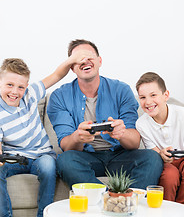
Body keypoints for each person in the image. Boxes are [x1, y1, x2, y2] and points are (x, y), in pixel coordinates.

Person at [47, 39, 163, 189]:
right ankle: (109, 200)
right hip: (86, 157)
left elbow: (134, 142)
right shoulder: (59, 97)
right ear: (72, 68)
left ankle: (130, 202)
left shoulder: (121, 90)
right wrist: (78, 136)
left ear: (99, 61)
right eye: (78, 59)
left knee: (152, 158)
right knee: (64, 160)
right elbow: (66, 146)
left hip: (120, 156)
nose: (84, 61)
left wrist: (122, 133)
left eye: (89, 57)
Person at [0, 55, 88, 217]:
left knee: (48, 166)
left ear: (26, 86)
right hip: (13, 159)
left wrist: (70, 60)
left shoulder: (30, 95)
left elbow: (56, 76)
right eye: (9, 85)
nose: (14, 92)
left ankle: (43, 214)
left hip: (41, 155)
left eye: (20, 87)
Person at [135, 72, 184, 206]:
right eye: (142, 97)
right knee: (169, 176)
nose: (148, 102)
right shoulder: (141, 124)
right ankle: (167, 209)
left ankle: (183, 207)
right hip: (165, 162)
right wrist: (161, 154)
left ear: (166, 95)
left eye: (153, 95)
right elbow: (154, 155)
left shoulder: (183, 114)